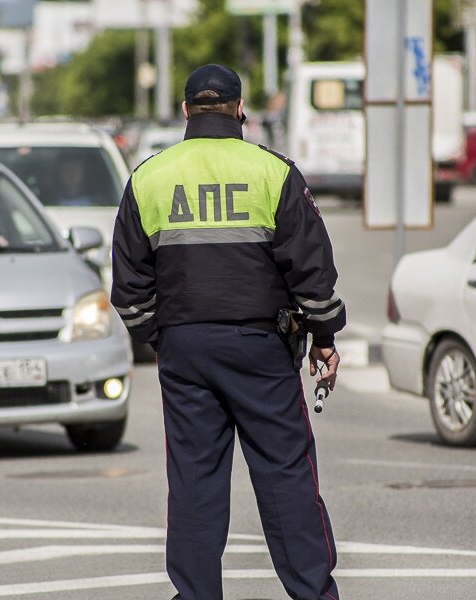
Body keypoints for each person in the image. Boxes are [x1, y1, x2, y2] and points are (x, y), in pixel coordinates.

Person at [111, 64, 345, 600]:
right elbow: (312, 272)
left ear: (186, 111)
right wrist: (325, 336)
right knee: (285, 475)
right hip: (262, 347)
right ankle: (313, 593)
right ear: (241, 110)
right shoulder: (274, 172)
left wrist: (161, 338)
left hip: (185, 350)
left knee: (194, 483)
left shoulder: (149, 176)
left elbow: (128, 285)